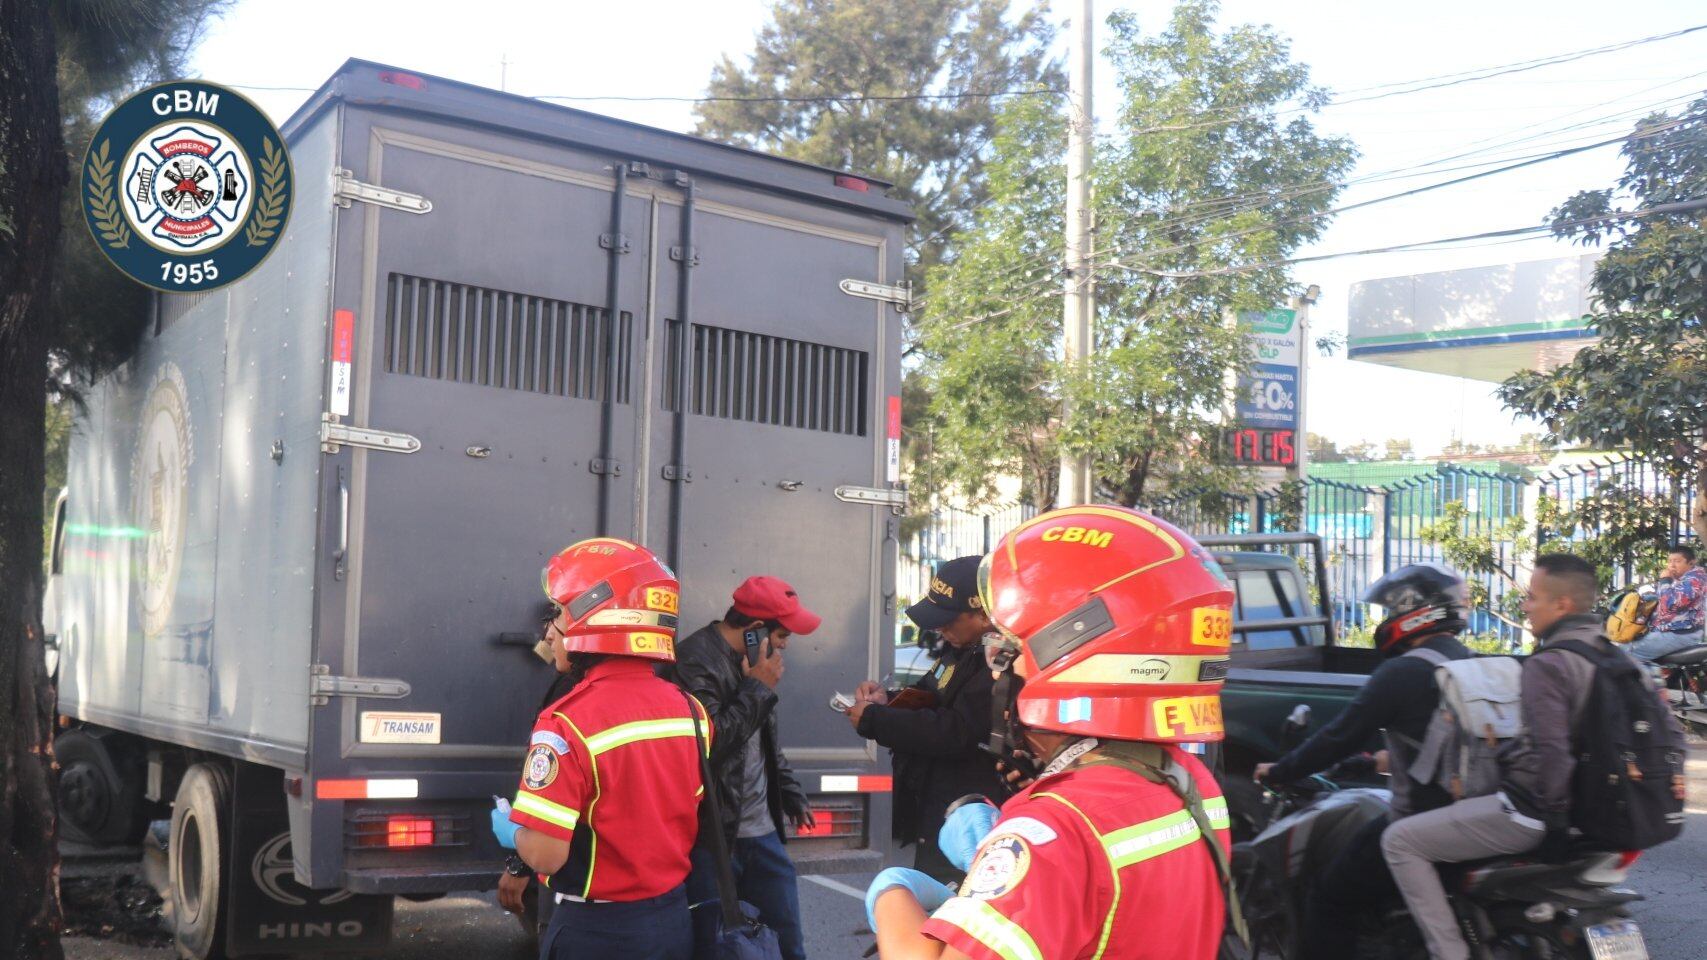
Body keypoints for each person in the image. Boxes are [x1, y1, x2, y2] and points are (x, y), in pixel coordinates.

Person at [867, 505, 1237, 960]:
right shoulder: (1191, 781)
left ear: (1065, 656)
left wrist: (892, 893)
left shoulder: (1050, 831)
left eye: (1002, 649)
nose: (993, 663)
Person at [1380, 553, 1687, 960]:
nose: (1525, 605)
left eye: (1532, 597)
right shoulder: (1627, 661)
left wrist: (1554, 821)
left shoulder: (1551, 663)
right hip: (1614, 812)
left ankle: (1448, 952)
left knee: (1400, 841)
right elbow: (1674, 739)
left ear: (1561, 604)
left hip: (1532, 814)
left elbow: (1551, 754)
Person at [490, 538, 709, 960]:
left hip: (599, 932)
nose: (549, 630)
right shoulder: (690, 709)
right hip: (672, 920)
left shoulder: (565, 723)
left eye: (558, 613)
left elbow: (547, 855)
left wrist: (510, 830)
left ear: (592, 619)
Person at [1251, 564, 1474, 960]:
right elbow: (1443, 744)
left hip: (1419, 819)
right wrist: (1374, 762)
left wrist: (1282, 770)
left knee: (1329, 896)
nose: (1387, 620)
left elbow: (1338, 737)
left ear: (1415, 612)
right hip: (1475, 814)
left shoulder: (1404, 671)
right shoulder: (1470, 663)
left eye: (1390, 611)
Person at [672, 576, 817, 960]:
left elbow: (765, 740)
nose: (785, 644)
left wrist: (788, 791)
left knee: (787, 944)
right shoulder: (692, 661)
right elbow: (708, 746)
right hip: (714, 837)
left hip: (763, 832)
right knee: (718, 944)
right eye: (782, 634)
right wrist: (757, 689)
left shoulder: (757, 666)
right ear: (755, 630)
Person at [848, 556, 1008, 883]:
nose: (939, 629)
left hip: (971, 817)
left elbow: (956, 731)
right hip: (939, 809)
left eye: (948, 620)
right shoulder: (962, 650)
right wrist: (887, 700)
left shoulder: (1000, 664)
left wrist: (876, 720)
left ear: (983, 614)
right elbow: (929, 693)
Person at [498, 613, 584, 922]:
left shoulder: (570, 698)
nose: (547, 634)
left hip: (574, 889)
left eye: (556, 619)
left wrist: (519, 862)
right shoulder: (677, 703)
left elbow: (551, 802)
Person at [1629, 544, 1705, 662]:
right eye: (1669, 561)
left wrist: (1665, 581)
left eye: (1677, 561)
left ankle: (1645, 679)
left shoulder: (1695, 579)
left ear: (1691, 563)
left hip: (1680, 633)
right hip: (1668, 631)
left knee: (1626, 653)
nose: (1672, 565)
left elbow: (1670, 604)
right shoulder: (1681, 579)